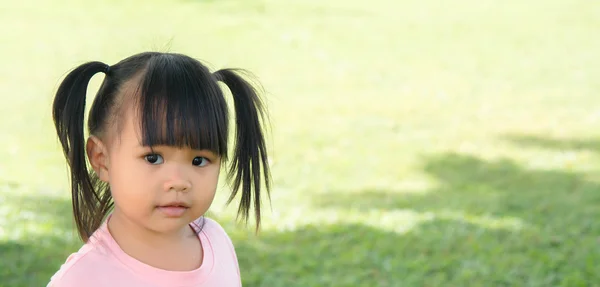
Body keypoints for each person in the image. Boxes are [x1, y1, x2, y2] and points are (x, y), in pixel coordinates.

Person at [47, 51, 272, 286]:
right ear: (102, 159)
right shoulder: (83, 278)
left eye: (199, 160)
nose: (178, 181)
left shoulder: (216, 242)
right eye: (153, 158)